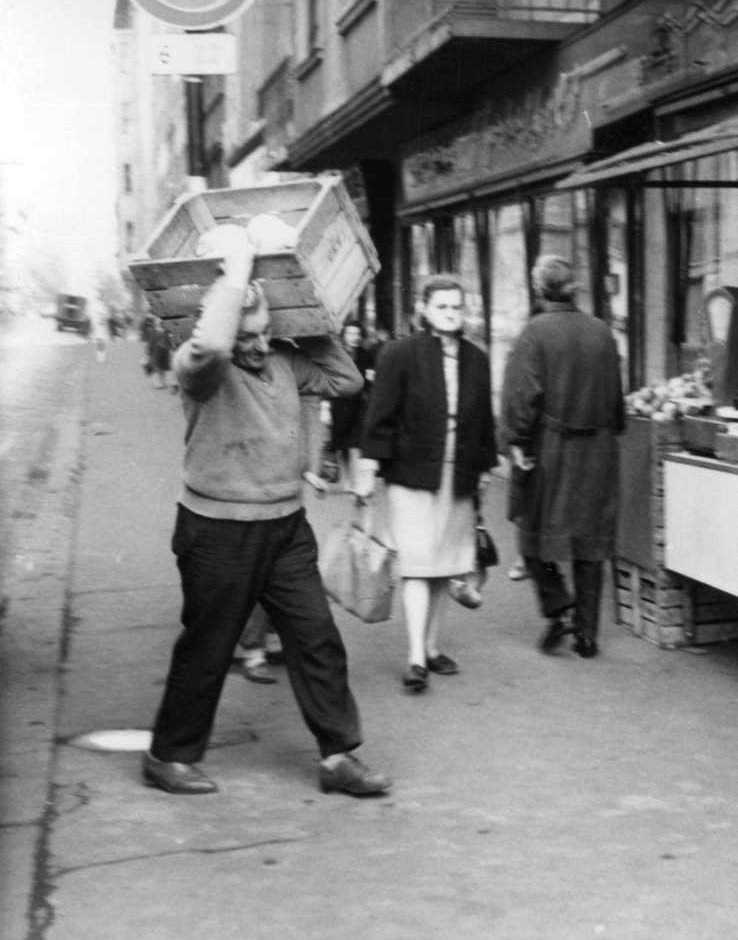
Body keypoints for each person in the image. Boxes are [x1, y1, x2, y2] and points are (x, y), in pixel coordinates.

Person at [143, 234, 390, 798]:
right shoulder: (199, 367)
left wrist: (306, 316)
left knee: (316, 636)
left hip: (285, 528)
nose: (257, 346)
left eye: (265, 333)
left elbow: (346, 380)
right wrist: (234, 281)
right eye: (245, 336)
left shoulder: (284, 361)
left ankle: (337, 756)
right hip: (217, 531)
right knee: (207, 648)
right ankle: (168, 756)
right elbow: (212, 348)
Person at [356, 275, 499, 692]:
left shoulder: (477, 359)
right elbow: (379, 415)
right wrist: (367, 470)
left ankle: (433, 647)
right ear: (424, 309)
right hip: (411, 474)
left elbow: (484, 421)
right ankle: (417, 657)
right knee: (418, 564)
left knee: (445, 566)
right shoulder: (399, 353)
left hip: (459, 475)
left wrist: (484, 470)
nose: (451, 313)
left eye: (457, 306)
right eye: (442, 306)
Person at [500, 255, 625, 658]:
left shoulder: (535, 331)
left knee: (535, 535)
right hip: (599, 449)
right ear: (574, 288)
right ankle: (587, 634)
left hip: (552, 449)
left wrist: (515, 441)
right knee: (590, 540)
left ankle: (558, 606)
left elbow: (521, 397)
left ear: (540, 289)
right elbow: (616, 395)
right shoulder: (602, 330)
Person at [327, 319, 376, 492]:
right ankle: (346, 480)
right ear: (344, 335)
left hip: (359, 404)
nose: (354, 337)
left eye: (357, 334)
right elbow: (328, 379)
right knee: (341, 445)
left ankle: (354, 481)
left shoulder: (366, 355)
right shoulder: (336, 354)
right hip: (339, 402)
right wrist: (325, 404)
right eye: (350, 333)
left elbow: (370, 380)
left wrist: (371, 383)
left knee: (356, 444)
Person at [140, 315, 172, 389]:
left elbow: (167, 341)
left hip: (161, 351)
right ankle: (159, 382)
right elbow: (149, 343)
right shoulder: (153, 331)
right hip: (157, 351)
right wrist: (148, 352)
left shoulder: (160, 331)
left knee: (160, 367)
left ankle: (161, 382)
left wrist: (169, 349)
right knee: (157, 367)